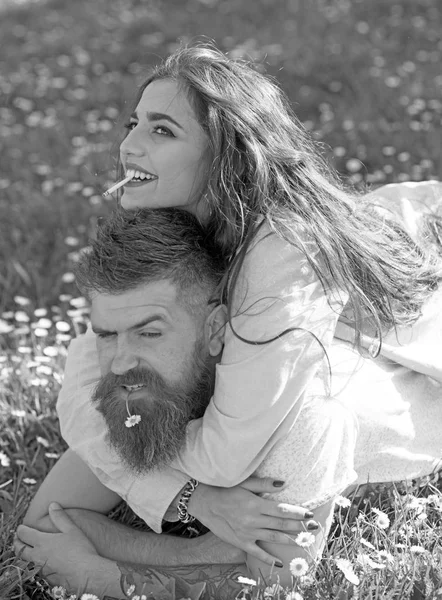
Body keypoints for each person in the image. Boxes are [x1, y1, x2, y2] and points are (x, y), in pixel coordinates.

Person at [18, 41, 442, 578]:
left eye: (161, 130)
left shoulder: (285, 252)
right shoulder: (168, 231)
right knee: (141, 396)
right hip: (368, 265)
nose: (127, 146)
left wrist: (115, 576)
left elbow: (232, 471)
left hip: (420, 340)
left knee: (261, 415)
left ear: (227, 155)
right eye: (134, 123)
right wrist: (193, 500)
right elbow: (82, 392)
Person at [16, 203, 442, 596]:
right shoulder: (139, 387)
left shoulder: (301, 409)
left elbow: (274, 582)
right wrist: (195, 538)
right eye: (107, 334)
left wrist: (106, 577)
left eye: (149, 333)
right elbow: (48, 524)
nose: (122, 363)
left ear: (217, 328)